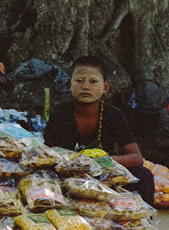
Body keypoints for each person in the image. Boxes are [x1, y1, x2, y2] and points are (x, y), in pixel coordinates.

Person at [43, 55, 155, 205]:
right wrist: (76, 164)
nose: (85, 86)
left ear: (105, 87)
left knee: (144, 175)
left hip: (104, 175)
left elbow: (136, 158)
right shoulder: (60, 112)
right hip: (68, 177)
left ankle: (143, 224)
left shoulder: (113, 114)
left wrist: (101, 161)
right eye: (79, 80)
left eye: (93, 81)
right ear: (70, 84)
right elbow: (49, 154)